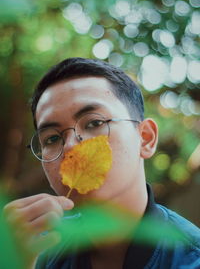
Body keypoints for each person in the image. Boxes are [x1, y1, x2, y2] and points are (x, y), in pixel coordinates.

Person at [4, 57, 200, 269]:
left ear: (145, 138)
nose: (70, 146)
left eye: (94, 123)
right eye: (52, 138)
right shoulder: (34, 250)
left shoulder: (191, 259)